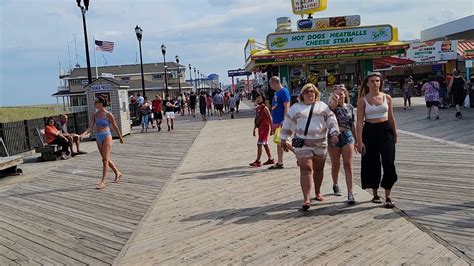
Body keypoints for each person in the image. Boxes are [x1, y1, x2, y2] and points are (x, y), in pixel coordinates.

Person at [280, 84, 340, 211]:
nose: (309, 93)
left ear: (316, 93)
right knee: (306, 169)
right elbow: (287, 123)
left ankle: (317, 191)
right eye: (306, 91)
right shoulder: (296, 108)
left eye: (312, 91)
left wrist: (334, 133)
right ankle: (306, 198)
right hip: (302, 143)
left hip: (320, 143)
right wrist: (283, 138)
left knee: (318, 169)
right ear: (302, 94)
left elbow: (332, 120)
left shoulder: (322, 106)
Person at [356, 72, 398, 208]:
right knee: (372, 162)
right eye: (372, 81)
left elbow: (391, 117)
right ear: (367, 84)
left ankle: (388, 195)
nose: (375, 83)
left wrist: (395, 133)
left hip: (385, 130)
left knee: (389, 162)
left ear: (381, 83)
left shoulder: (387, 98)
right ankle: (375, 193)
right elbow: (359, 122)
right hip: (370, 130)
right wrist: (359, 140)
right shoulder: (363, 100)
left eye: (377, 81)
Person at [80, 96, 123, 189]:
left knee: (104, 160)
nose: (94, 104)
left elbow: (115, 126)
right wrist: (83, 134)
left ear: (101, 103)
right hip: (98, 137)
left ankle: (103, 181)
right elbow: (90, 128)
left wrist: (120, 137)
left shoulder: (108, 114)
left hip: (107, 135)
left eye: (96, 102)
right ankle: (117, 173)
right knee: (105, 158)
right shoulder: (94, 115)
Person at [327, 84, 356, 204]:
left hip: (347, 135)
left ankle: (350, 192)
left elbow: (352, 124)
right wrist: (334, 100)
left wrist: (357, 140)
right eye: (337, 93)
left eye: (341, 93)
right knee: (335, 164)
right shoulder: (330, 107)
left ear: (345, 94)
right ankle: (335, 183)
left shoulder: (349, 107)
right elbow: (332, 107)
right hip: (334, 136)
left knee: (348, 164)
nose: (340, 95)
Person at [268, 76, 291, 170]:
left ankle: (298, 155)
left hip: (281, 121)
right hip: (277, 121)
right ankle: (280, 162)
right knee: (279, 142)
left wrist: (285, 120)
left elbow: (287, 106)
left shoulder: (284, 92)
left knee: (283, 142)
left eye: (271, 84)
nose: (270, 87)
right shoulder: (277, 93)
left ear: (274, 83)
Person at [250, 92, 274, 167]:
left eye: (259, 98)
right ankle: (270, 159)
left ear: (263, 98)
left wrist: (272, 129)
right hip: (260, 128)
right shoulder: (257, 108)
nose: (258, 99)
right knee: (265, 144)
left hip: (265, 128)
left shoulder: (265, 108)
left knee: (259, 144)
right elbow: (257, 120)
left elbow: (270, 118)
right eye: (257, 98)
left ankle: (258, 161)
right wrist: (254, 129)